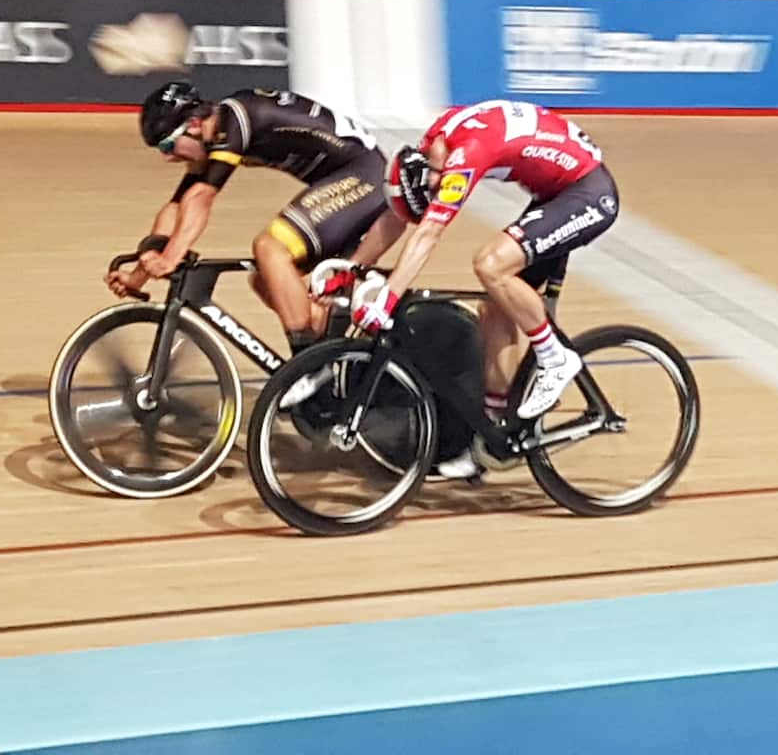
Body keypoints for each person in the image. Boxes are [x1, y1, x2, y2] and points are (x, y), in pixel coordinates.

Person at [331, 98, 620, 476]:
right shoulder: (434, 143)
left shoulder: (467, 154)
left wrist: (388, 298)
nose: (438, 191)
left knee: (490, 264)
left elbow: (430, 231)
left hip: (588, 193)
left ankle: (556, 358)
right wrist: (353, 269)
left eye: (435, 190)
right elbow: (400, 217)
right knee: (494, 309)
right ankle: (495, 439)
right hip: (554, 195)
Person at [106, 81, 397, 359]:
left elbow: (201, 198)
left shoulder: (236, 118)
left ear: (194, 125)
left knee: (270, 247)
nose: (168, 159)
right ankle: (323, 358)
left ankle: (306, 366)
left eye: (169, 146)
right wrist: (139, 274)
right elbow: (177, 207)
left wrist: (170, 259)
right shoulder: (215, 135)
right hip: (353, 180)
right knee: (265, 278)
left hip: (365, 174)